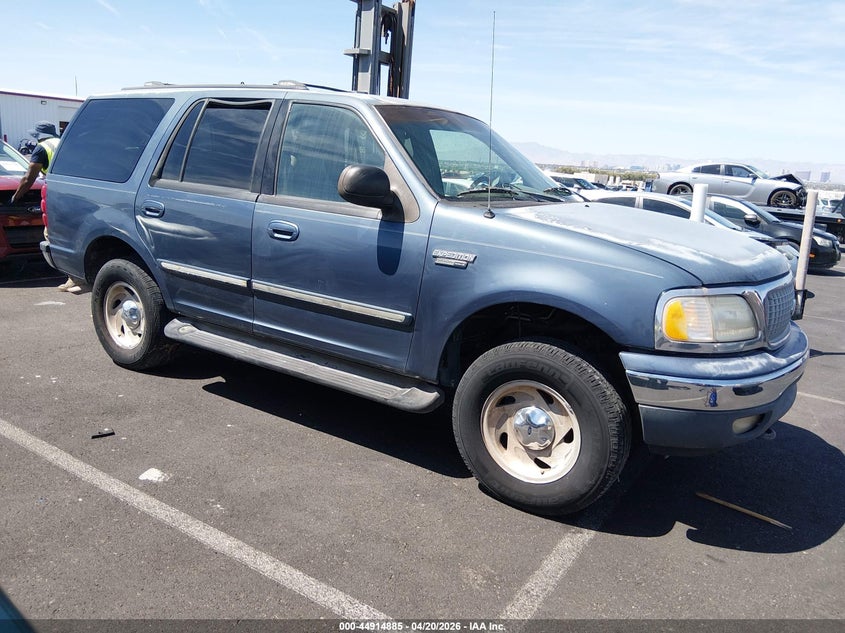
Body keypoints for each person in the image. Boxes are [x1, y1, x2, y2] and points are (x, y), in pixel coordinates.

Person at [10, 121, 81, 291]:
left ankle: (74, 278)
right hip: (77, 195)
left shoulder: (42, 148)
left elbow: (29, 177)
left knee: (53, 235)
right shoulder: (65, 142)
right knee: (74, 234)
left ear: (37, 135)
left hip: (59, 196)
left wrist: (15, 197)